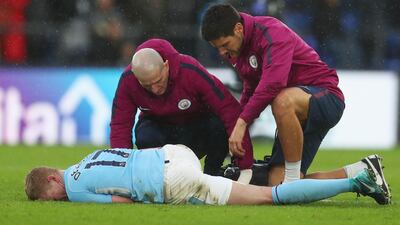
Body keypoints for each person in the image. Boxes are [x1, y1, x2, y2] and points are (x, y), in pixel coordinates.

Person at [200, 4, 346, 184]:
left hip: (326, 96)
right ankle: (359, 174)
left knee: (281, 100)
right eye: (217, 48)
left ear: (238, 29)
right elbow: (250, 88)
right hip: (297, 115)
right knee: (276, 183)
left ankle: (291, 180)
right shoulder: (239, 48)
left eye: (224, 45)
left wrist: (242, 122)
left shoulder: (272, 32)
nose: (222, 52)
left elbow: (273, 83)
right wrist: (239, 125)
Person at [24, 144, 391, 205]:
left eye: (50, 198)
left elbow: (119, 202)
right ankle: (359, 169)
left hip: (174, 182)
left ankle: (356, 181)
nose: (57, 202)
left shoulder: (72, 188)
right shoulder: (87, 157)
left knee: (270, 196)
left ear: (53, 180)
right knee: (246, 184)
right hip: (175, 154)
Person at [110, 38, 254, 178]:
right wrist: (121, 173)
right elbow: (120, 125)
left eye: (158, 81)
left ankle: (212, 176)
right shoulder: (128, 80)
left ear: (166, 66)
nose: (155, 89)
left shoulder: (191, 71)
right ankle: (158, 178)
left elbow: (228, 109)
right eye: (147, 85)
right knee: (144, 133)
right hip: (160, 135)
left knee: (218, 125)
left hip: (196, 132)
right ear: (136, 77)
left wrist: (245, 165)